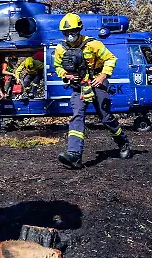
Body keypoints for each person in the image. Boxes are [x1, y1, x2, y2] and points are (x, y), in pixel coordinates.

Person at [53, 13, 132, 169]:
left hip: (97, 82)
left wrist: (103, 76)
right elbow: (57, 67)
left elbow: (111, 59)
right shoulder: (60, 49)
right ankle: (74, 155)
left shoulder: (93, 44)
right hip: (79, 86)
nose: (70, 35)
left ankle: (123, 142)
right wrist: (66, 75)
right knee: (77, 116)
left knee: (106, 118)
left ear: (79, 29)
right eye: (66, 33)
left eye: (73, 31)